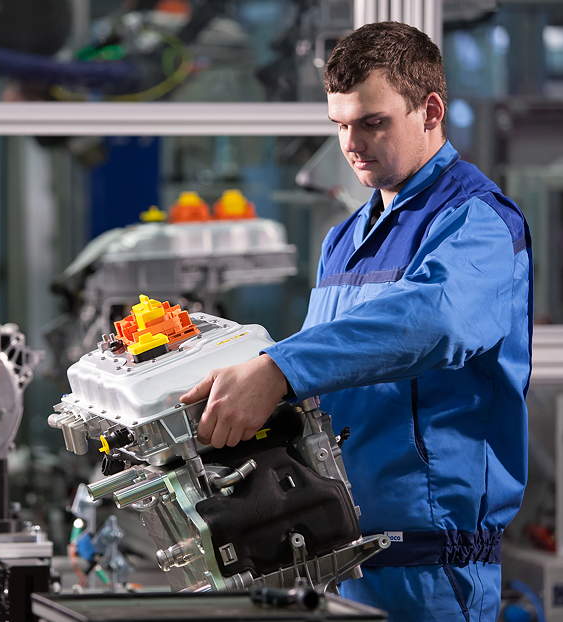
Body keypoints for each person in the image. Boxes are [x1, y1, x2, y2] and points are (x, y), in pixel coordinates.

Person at [180, 21, 532, 622]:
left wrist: (279, 369)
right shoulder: (343, 239)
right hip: (338, 556)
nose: (352, 144)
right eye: (340, 125)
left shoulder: (474, 220)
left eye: (373, 122)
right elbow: (339, 368)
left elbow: (435, 319)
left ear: (431, 110)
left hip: (433, 573)